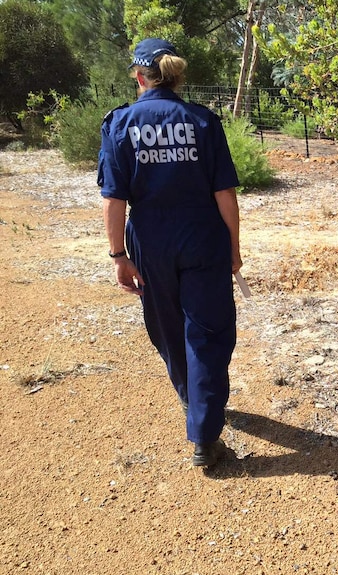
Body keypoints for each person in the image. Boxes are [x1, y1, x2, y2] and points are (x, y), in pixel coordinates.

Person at [98, 38, 242, 468]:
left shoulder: (120, 123)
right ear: (175, 77)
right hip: (202, 237)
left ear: (139, 77)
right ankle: (204, 434)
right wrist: (234, 251)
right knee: (209, 332)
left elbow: (113, 199)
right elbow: (225, 194)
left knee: (167, 327)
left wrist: (118, 255)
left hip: (150, 240)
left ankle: (191, 400)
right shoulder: (202, 121)